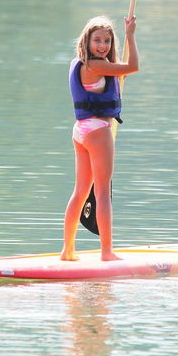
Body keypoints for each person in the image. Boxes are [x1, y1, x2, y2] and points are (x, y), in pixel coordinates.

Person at [61, 15, 138, 261]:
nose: (102, 45)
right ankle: (106, 253)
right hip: (97, 132)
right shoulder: (96, 66)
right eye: (97, 40)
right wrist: (131, 35)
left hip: (80, 131)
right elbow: (133, 66)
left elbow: (116, 75)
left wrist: (117, 76)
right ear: (87, 41)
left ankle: (68, 251)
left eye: (107, 41)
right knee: (102, 192)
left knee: (81, 191)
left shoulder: (82, 65)